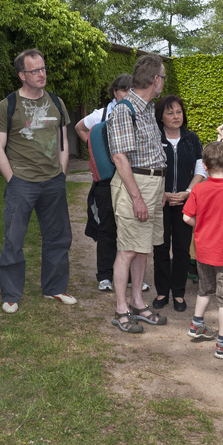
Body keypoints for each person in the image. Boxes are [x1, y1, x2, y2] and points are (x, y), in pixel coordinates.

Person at [0, 49, 75, 314]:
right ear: (21, 75)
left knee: (58, 237)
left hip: (53, 182)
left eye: (43, 68)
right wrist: (12, 179)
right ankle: (11, 294)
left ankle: (54, 289)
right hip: (22, 183)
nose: (41, 74)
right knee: (14, 239)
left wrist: (61, 172)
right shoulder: (8, 105)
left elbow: (63, 142)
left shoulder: (57, 102)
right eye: (35, 71)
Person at [107, 54, 167, 333]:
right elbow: (119, 158)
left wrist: (158, 188)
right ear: (156, 80)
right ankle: (121, 309)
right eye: (163, 78)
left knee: (143, 248)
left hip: (152, 185)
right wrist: (137, 197)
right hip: (136, 186)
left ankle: (138, 303)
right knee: (128, 249)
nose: (163, 82)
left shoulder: (147, 108)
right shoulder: (124, 110)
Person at [75, 74, 149, 293]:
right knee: (108, 228)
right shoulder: (102, 114)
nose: (128, 94)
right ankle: (105, 275)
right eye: (124, 90)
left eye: (131, 90)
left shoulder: (140, 114)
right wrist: (94, 149)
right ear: (115, 92)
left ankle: (130, 278)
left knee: (131, 227)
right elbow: (80, 127)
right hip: (107, 181)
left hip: (132, 178)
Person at [183, 142, 223, 358]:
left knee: (204, 290)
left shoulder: (199, 189)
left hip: (203, 252)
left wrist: (203, 225)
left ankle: (196, 324)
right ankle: (222, 344)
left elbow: (186, 217)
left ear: (205, 166)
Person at [152, 95, 204, 312]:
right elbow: (149, 168)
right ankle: (162, 291)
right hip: (160, 201)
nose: (175, 116)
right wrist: (162, 193)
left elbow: (201, 169)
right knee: (161, 247)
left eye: (179, 112)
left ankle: (179, 292)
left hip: (185, 202)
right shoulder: (153, 138)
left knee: (182, 249)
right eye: (170, 112)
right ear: (161, 117)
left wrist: (188, 192)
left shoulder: (192, 139)